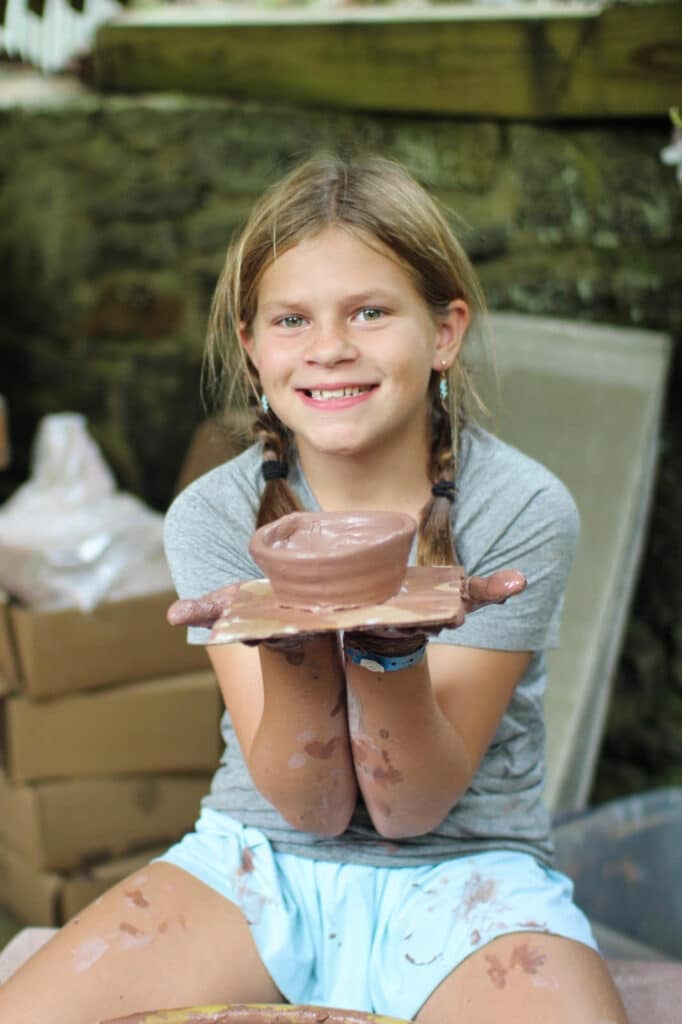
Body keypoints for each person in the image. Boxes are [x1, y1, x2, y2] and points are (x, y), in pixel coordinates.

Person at [0, 154, 629, 1024]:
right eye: (292, 320)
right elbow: (314, 802)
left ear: (444, 332)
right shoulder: (211, 518)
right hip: (261, 862)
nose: (330, 348)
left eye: (370, 312)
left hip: (469, 877)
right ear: (253, 350)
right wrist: (290, 636)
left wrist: (387, 635)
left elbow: (410, 807)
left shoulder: (521, 507)